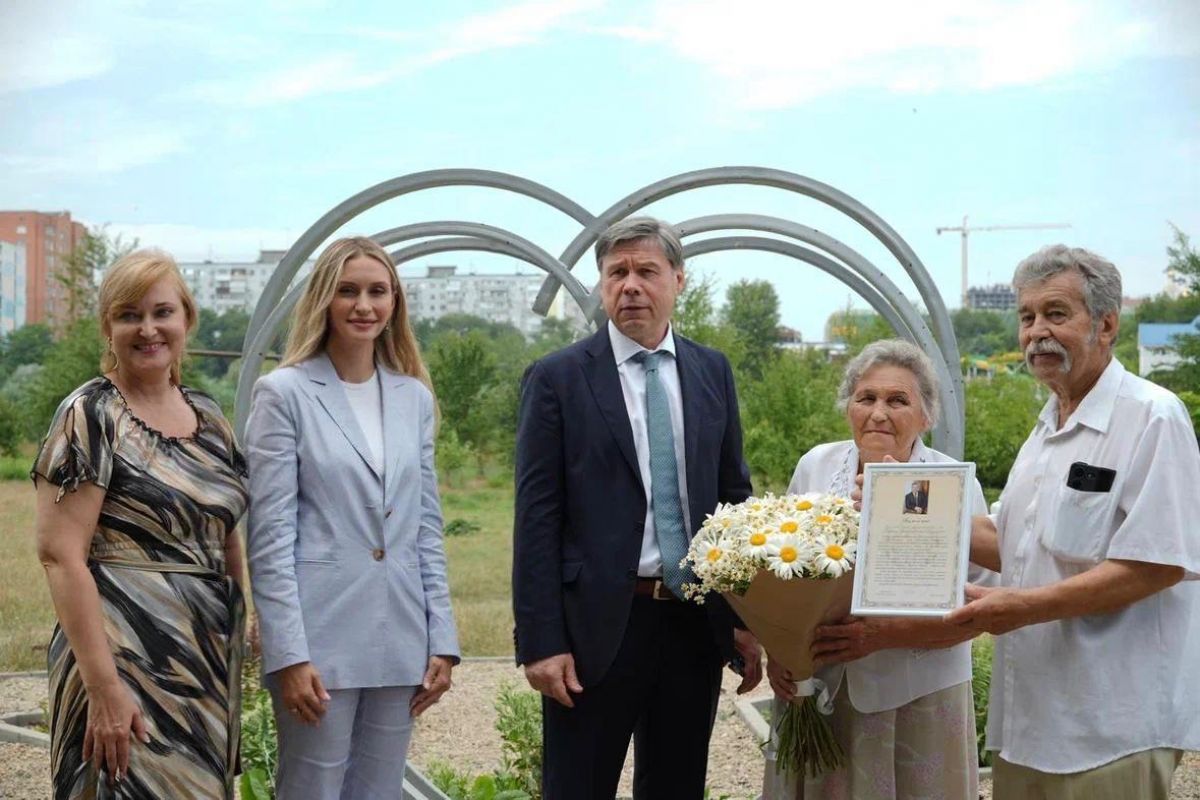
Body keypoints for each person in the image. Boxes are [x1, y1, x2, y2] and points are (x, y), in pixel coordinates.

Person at [512, 216, 763, 799]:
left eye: (646, 271)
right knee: (577, 787)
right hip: (594, 628)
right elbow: (536, 519)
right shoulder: (557, 379)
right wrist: (542, 640)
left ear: (678, 280)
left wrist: (746, 620)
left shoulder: (711, 372)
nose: (630, 285)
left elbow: (733, 500)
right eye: (616, 272)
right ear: (601, 285)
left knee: (676, 787)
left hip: (692, 625)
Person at [946, 245, 1200, 799]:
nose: (1037, 331)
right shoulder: (1046, 430)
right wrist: (900, 510)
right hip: (1034, 721)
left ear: (1106, 324)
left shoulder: (1152, 416)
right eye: (1027, 316)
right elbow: (1012, 544)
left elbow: (1157, 565)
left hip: (1112, 725)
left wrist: (1020, 608)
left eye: (1056, 314)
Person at [245, 236, 460, 799]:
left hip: (402, 636)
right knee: (311, 789)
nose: (363, 305)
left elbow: (425, 530)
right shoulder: (284, 394)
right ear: (323, 299)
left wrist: (443, 639)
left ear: (395, 304)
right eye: (348, 291)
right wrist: (289, 653)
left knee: (379, 791)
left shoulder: (413, 398)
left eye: (377, 291)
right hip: (320, 641)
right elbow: (269, 540)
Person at [32, 250, 247, 799]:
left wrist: (245, 614)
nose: (148, 329)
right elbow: (61, 556)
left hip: (201, 660)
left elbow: (225, 531)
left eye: (162, 312)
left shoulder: (210, 417)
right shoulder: (91, 414)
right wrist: (104, 689)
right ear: (108, 328)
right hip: (119, 657)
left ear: (187, 319)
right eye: (129, 315)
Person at [766, 339, 988, 800]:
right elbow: (780, 573)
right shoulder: (817, 465)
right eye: (865, 398)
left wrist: (881, 633)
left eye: (897, 400)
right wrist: (781, 651)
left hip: (916, 694)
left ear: (926, 415)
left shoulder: (952, 481)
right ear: (848, 406)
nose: (878, 413)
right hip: (821, 685)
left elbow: (978, 603)